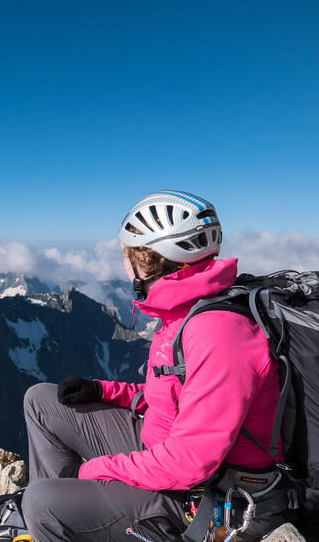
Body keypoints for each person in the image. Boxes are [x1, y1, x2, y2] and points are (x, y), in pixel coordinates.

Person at [21, 191, 285, 542]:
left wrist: (85, 471)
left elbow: (191, 462)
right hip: (169, 453)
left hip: (208, 498)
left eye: (128, 253)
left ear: (150, 258)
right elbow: (181, 396)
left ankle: (63, 515)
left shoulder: (217, 331)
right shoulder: (186, 309)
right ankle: (77, 520)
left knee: (41, 502)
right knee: (41, 400)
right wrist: (104, 391)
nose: (123, 262)